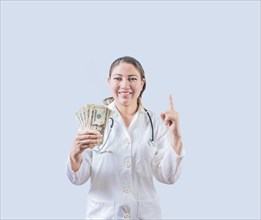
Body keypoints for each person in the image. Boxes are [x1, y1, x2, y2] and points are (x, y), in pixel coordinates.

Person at [66, 56, 184, 219]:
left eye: (132, 79)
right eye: (118, 78)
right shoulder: (92, 121)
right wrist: (75, 154)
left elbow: (168, 176)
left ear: (142, 83)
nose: (124, 85)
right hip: (104, 215)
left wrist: (176, 137)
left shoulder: (155, 123)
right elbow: (78, 179)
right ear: (109, 82)